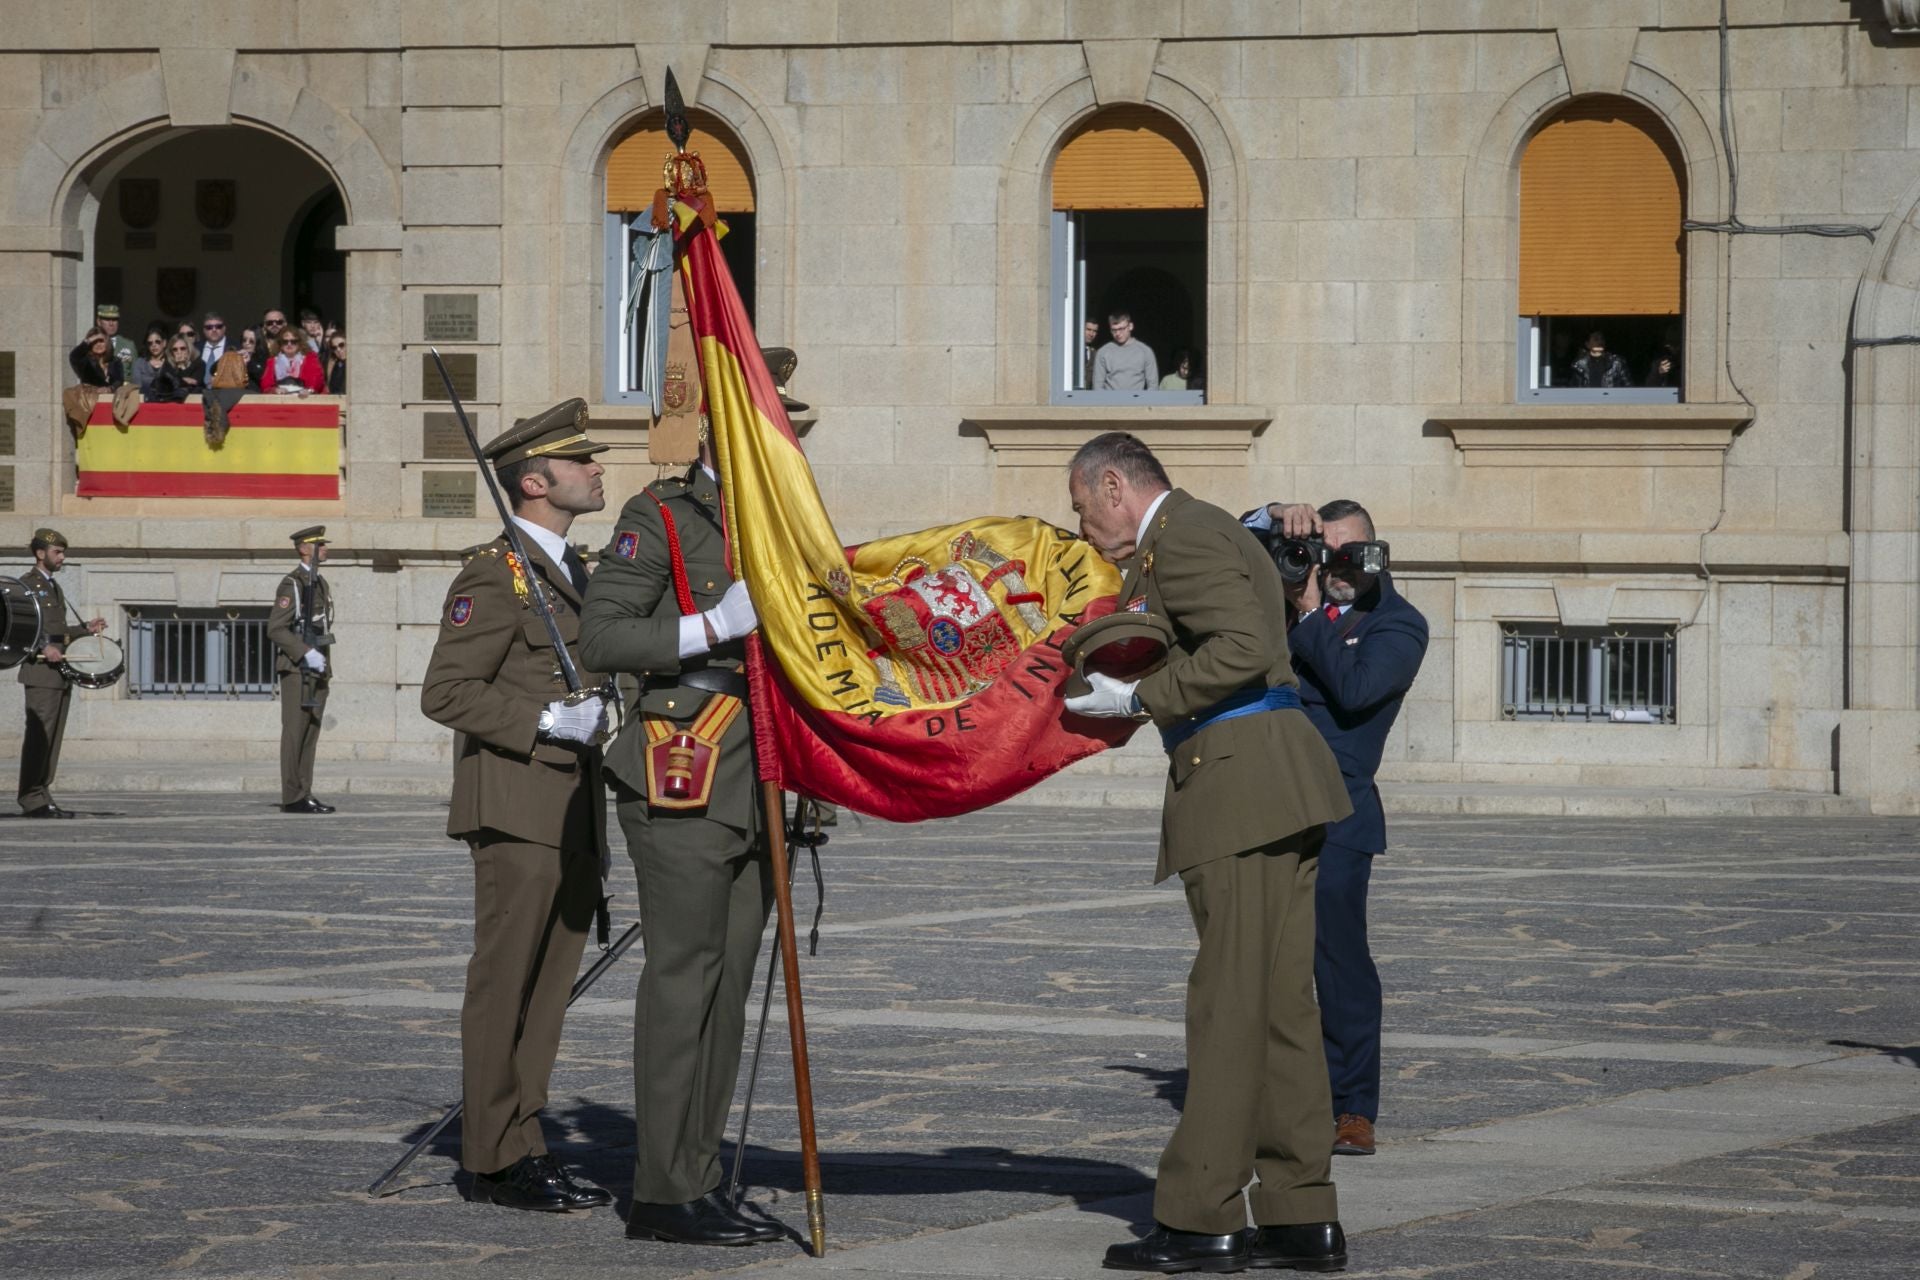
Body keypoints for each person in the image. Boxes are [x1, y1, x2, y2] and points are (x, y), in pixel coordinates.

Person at [1063, 433, 1353, 1275]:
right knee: (1278, 1006)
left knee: (1227, 1006)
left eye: (1083, 507)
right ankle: (1301, 1212)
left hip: (1238, 782)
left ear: (1114, 485)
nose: (1083, 526)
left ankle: (1202, 1215)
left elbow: (1240, 648)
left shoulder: (1182, 536)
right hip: (1276, 777)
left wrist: (1140, 697)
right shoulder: (1208, 527)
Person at [579, 431, 782, 1248]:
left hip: (760, 771)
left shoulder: (784, 517)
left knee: (727, 986)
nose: (782, 439)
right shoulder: (659, 514)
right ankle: (663, 1190)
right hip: (683, 764)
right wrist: (711, 625)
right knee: (683, 978)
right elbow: (605, 637)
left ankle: (696, 1175)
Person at [420, 400, 614, 1214]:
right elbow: (446, 691)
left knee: (547, 989)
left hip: (572, 808)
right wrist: (541, 720)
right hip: (515, 804)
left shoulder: (576, 572)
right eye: (582, 462)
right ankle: (493, 1160)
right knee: (506, 985)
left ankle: (524, 1138)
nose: (599, 468)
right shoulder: (491, 574)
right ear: (535, 482)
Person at [1245, 498, 1429, 1159]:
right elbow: (1227, 548)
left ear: (1377, 554)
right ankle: (1282, 1095)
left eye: (1353, 552)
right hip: (1267, 805)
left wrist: (1313, 610)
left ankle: (1353, 1107)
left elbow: (1355, 693)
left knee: (1338, 963)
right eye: (1327, 551)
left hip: (1339, 815)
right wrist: (1271, 518)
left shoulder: (1397, 625)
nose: (1339, 565)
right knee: (1263, 962)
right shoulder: (1287, 603)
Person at [15, 529, 106, 819]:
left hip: (58, 673)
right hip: (40, 672)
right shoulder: (27, 586)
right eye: (58, 552)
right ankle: (31, 798)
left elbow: (58, 630)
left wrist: (85, 629)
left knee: (52, 739)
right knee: (39, 737)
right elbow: (21, 626)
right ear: (41, 553)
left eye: (63, 552)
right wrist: (44, 646)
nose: (62, 557)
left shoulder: (54, 587)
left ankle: (42, 794)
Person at [265, 527, 336, 814]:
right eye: (319, 545)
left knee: (311, 731)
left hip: (318, 665)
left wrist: (320, 658)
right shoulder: (292, 584)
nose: (325, 549)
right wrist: (305, 652)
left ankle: (304, 790)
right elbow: (276, 628)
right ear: (304, 549)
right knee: (295, 731)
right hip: (297, 669)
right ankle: (292, 794)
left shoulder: (318, 582)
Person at [1092, 311, 1159, 391]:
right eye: (1114, 330)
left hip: (1137, 401)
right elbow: (1097, 386)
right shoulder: (1103, 352)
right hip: (1110, 401)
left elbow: (1153, 386)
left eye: (1121, 329)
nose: (1118, 333)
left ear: (1130, 326)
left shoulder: (1145, 351)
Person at [262, 326, 325, 394]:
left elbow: (317, 380)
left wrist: (309, 390)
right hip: (280, 398)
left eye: (293, 341)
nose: (289, 344)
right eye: (285, 342)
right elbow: (266, 385)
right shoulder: (273, 361)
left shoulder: (309, 359)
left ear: (299, 343)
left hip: (303, 398)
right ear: (280, 344)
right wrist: (274, 390)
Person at [145, 335, 206, 402]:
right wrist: (180, 370)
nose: (179, 352)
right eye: (175, 349)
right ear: (171, 352)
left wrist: (182, 368)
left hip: (194, 401)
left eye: (182, 348)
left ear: (189, 349)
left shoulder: (199, 363)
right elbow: (166, 383)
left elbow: (194, 383)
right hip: (171, 401)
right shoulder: (168, 363)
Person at [249, 309, 290, 386]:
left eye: (279, 322)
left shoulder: (294, 343)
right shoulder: (257, 344)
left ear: (285, 323)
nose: (274, 325)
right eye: (269, 323)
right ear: (264, 325)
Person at [96, 304, 136, 369]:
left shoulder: (128, 345)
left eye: (114, 319)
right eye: (107, 319)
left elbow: (135, 374)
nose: (111, 323)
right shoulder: (93, 344)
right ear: (99, 321)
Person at [131, 325, 168, 397]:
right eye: (150, 343)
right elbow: (136, 386)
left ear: (164, 343)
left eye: (157, 342)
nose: (154, 345)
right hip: (144, 401)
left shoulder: (171, 362)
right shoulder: (140, 363)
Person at [1080, 317, 1101, 389]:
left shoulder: (1096, 354)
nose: (1091, 334)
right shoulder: (1070, 351)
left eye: (1095, 331)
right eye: (1088, 329)